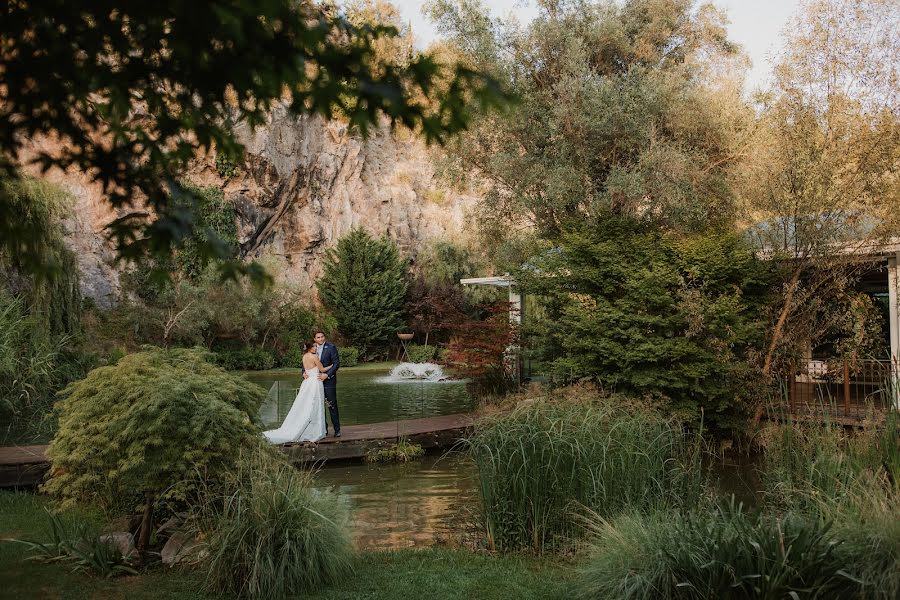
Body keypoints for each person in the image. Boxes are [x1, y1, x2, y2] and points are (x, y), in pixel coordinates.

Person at [262, 341, 330, 443]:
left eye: (316, 346)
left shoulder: (304, 356)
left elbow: (306, 370)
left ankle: (308, 427)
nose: (316, 348)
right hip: (315, 383)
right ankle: (315, 431)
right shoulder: (314, 357)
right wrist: (332, 366)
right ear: (309, 348)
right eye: (314, 346)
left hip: (306, 383)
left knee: (304, 405)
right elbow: (322, 369)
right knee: (315, 405)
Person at [305, 329, 341, 437]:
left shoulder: (331, 347)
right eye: (318, 337)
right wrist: (304, 373)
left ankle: (337, 430)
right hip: (315, 382)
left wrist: (327, 375)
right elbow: (305, 363)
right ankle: (323, 430)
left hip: (329, 381)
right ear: (314, 339)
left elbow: (336, 364)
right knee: (319, 406)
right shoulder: (311, 348)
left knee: (332, 405)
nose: (321, 339)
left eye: (322, 336)